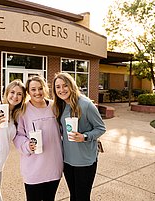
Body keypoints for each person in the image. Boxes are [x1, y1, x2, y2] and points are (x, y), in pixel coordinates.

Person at [52, 72, 106, 201]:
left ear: (71, 85)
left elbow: (101, 128)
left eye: (65, 85)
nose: (61, 90)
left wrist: (85, 136)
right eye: (58, 87)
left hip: (85, 160)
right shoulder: (60, 105)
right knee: (74, 196)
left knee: (82, 197)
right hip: (68, 160)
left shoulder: (86, 104)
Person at [13, 75, 63, 201]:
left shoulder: (54, 106)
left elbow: (63, 130)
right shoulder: (23, 111)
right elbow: (18, 135)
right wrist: (26, 145)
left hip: (53, 164)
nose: (37, 92)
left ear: (45, 89)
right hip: (33, 167)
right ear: (28, 92)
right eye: (33, 89)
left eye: (40, 88)